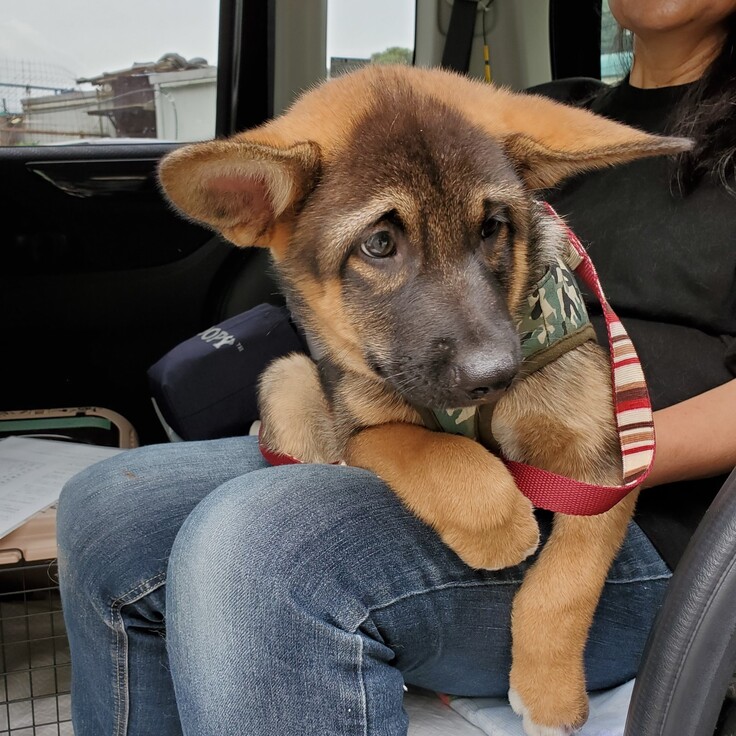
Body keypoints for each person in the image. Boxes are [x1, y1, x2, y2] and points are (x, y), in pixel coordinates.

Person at [56, 1, 736, 734]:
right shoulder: (541, 111)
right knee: (106, 512)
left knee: (261, 549)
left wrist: (595, 457)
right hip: (454, 443)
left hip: (661, 532)